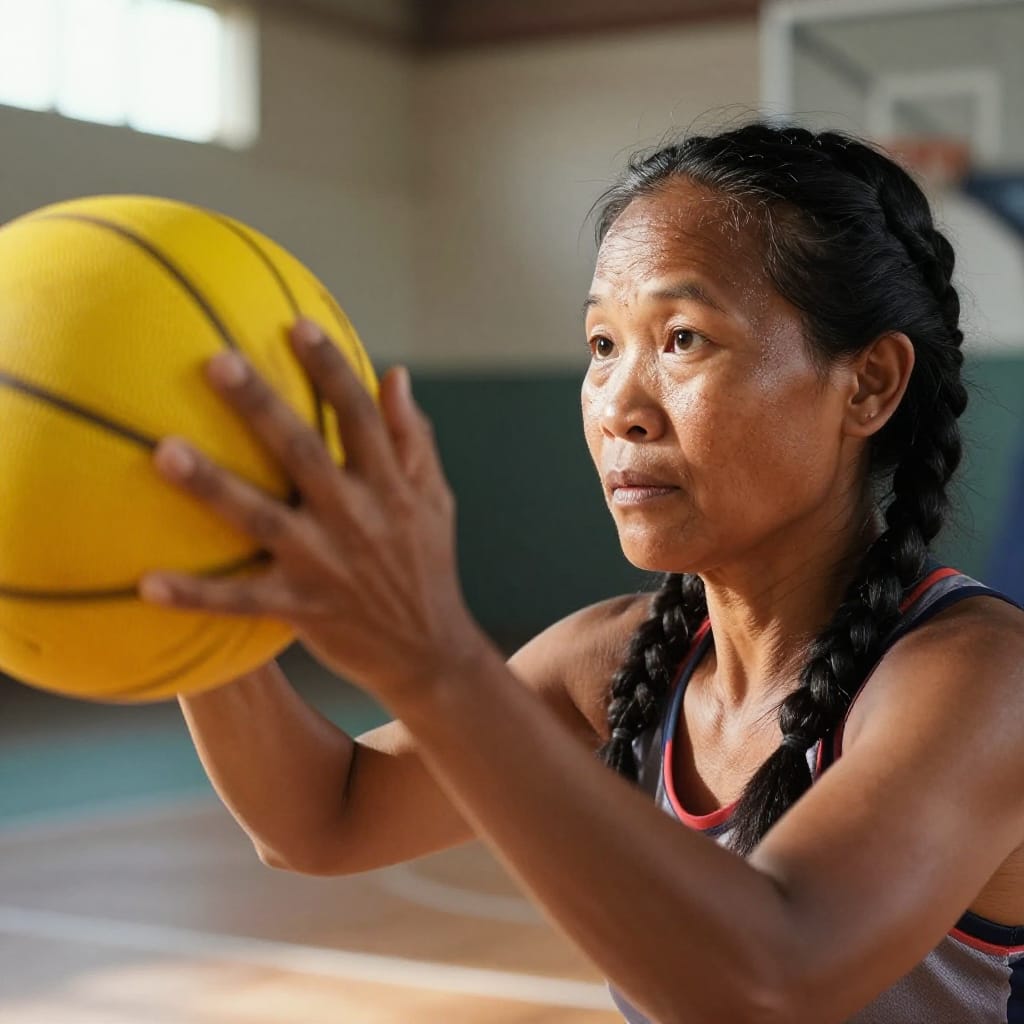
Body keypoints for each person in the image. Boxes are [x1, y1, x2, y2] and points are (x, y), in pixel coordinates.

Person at [138, 122, 1024, 1023]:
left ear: (869, 383)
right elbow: (321, 817)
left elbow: (770, 979)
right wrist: (185, 574)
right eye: (603, 345)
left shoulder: (981, 679)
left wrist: (435, 661)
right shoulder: (617, 662)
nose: (621, 409)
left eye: (683, 339)